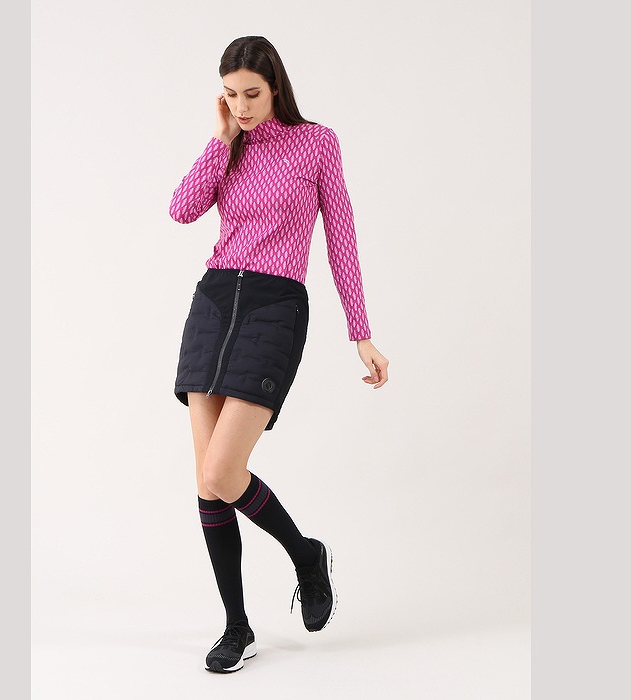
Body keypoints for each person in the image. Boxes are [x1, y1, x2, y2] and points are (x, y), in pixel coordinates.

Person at [168, 35, 389, 673]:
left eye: (252, 94)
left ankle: (304, 554)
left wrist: (361, 330)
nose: (241, 106)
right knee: (207, 484)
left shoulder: (316, 143)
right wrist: (220, 142)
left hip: (274, 308)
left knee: (222, 472)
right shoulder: (230, 144)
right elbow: (182, 210)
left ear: (276, 88)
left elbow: (341, 235)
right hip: (214, 303)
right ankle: (237, 627)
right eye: (230, 95)